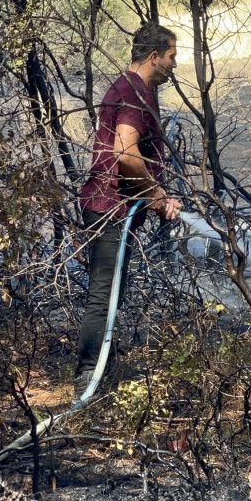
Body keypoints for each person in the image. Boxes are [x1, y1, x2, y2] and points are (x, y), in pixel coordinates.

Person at [74, 23, 183, 395]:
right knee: (104, 294)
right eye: (171, 57)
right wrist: (155, 195)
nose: (174, 65)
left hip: (113, 206)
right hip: (110, 208)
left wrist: (155, 195)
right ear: (154, 56)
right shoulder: (135, 92)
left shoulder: (132, 88)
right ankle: (88, 381)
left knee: (111, 292)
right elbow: (125, 153)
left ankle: (102, 371)